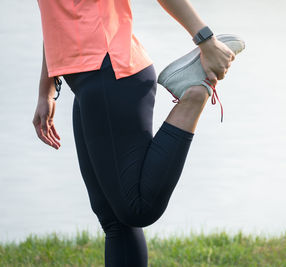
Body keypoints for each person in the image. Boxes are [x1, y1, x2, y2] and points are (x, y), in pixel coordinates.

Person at [32, 0, 242, 266]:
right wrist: (46, 89)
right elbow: (54, 18)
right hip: (87, 81)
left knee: (138, 208)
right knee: (113, 219)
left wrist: (205, 39)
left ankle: (194, 94)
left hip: (110, 72)